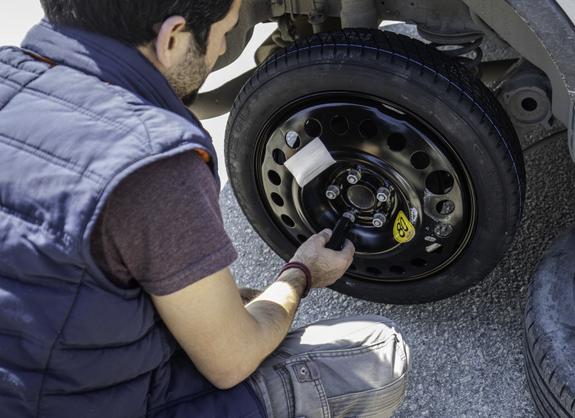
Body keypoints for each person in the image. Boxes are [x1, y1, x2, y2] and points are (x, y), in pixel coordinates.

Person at [0, 1, 410, 417]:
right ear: (173, 38)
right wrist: (300, 274)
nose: (219, 52)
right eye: (225, 33)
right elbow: (231, 359)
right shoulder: (153, 164)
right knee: (378, 355)